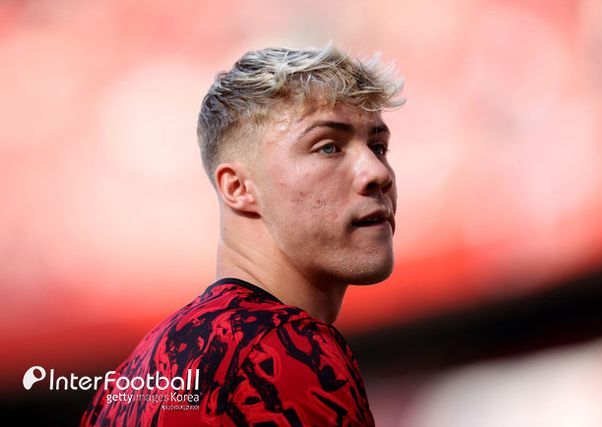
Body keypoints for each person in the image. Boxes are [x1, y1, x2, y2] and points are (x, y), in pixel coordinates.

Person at [80, 44, 404, 426]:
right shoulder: (282, 351)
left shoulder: (126, 383)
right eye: (328, 147)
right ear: (238, 188)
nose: (377, 173)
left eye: (378, 147)